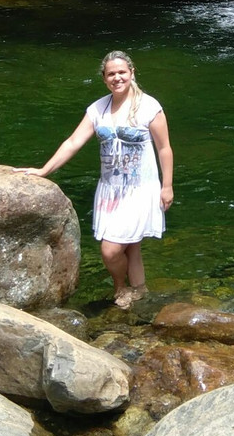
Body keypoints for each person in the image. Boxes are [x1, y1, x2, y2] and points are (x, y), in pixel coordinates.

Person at [15, 50, 174, 309]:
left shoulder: (150, 107)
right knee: (131, 246)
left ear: (132, 73)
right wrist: (44, 170)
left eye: (122, 72)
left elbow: (164, 148)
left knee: (111, 250)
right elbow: (73, 142)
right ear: (104, 78)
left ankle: (120, 287)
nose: (117, 78)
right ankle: (140, 289)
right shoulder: (98, 109)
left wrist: (167, 186)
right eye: (111, 74)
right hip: (111, 190)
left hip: (140, 189)